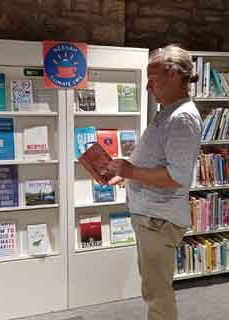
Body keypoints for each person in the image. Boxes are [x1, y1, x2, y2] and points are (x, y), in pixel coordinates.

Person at [108, 45, 202, 320]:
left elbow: (177, 177)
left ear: (173, 75)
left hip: (158, 221)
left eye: (152, 78)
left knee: (157, 293)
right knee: (153, 288)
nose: (148, 86)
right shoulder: (170, 111)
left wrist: (131, 171)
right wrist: (126, 173)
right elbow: (159, 163)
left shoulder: (182, 118)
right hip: (152, 218)